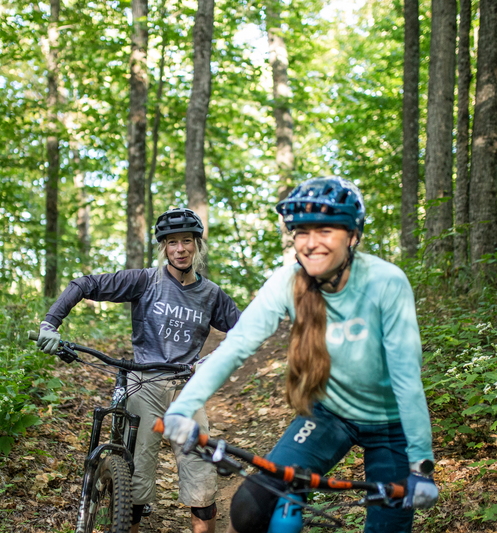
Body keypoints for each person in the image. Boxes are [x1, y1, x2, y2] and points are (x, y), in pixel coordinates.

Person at [161, 177, 439, 533]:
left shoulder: (386, 282)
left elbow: (406, 379)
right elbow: (236, 345)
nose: (311, 243)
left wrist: (420, 466)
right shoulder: (288, 281)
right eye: (302, 232)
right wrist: (185, 406)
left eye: (325, 230)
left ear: (353, 236)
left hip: (391, 425)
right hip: (329, 415)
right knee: (250, 506)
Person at [37, 207, 241, 533]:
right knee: (133, 484)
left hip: (187, 390)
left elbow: (245, 332)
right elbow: (84, 284)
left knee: (201, 484)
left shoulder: (211, 294)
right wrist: (50, 324)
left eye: (187, 241)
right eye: (172, 242)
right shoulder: (145, 280)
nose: (180, 249)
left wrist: (214, 360)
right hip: (142, 386)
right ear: (164, 247)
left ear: (197, 245)